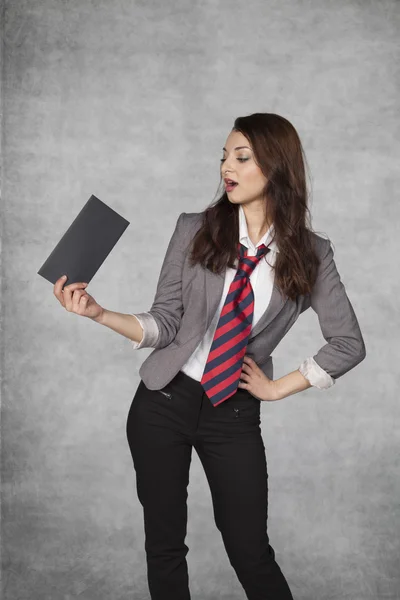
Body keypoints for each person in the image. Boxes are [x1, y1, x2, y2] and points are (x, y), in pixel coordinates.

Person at [53, 113, 366, 600]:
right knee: (164, 548)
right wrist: (100, 314)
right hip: (162, 403)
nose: (227, 167)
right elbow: (166, 322)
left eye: (242, 157)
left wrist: (279, 387)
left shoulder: (312, 253)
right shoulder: (195, 228)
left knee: (250, 552)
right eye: (224, 156)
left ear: (276, 167)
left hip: (233, 414)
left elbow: (348, 342)